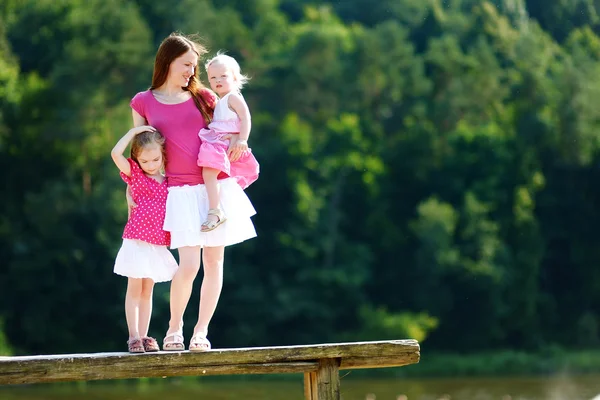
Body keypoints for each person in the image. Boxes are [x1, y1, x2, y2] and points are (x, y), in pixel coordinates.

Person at [128, 33, 257, 351]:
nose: (191, 71)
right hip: (178, 192)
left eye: (194, 66)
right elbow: (140, 154)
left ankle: (200, 332)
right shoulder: (143, 101)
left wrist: (239, 142)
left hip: (212, 188)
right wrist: (133, 191)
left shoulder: (205, 97)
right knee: (189, 265)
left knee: (215, 262)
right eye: (186, 64)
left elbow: (230, 127)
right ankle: (174, 330)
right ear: (168, 62)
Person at [111, 126, 178, 353]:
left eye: (155, 159)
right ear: (137, 160)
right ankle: (133, 337)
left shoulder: (169, 181)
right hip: (137, 240)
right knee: (134, 288)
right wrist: (133, 132)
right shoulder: (135, 175)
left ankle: (145, 335)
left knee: (148, 291)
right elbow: (115, 154)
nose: (150, 165)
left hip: (157, 242)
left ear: (162, 156)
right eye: (145, 161)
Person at [196, 53, 259, 232]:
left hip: (223, 144)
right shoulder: (221, 101)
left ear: (234, 77)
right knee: (210, 175)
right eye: (213, 77)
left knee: (209, 173)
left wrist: (242, 139)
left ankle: (215, 211)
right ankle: (216, 207)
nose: (218, 80)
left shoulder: (233, 97)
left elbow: (245, 117)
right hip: (219, 141)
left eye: (223, 76)